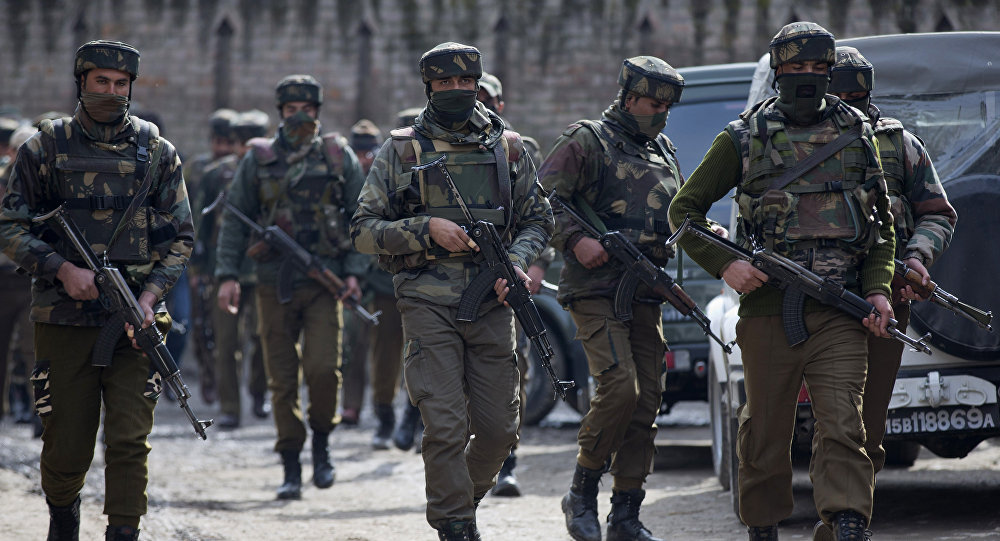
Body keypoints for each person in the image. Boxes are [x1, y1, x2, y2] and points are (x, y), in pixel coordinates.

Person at [668, 22, 896, 541]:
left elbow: (881, 229)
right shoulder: (743, 138)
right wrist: (725, 264)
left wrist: (877, 288)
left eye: (818, 68)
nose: (807, 77)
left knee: (845, 425)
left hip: (841, 311)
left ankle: (846, 523)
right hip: (769, 311)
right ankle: (763, 524)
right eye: (796, 68)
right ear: (778, 70)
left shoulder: (859, 134)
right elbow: (684, 212)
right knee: (765, 434)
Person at [350, 42, 553, 540]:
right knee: (444, 426)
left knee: (501, 431)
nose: (457, 90)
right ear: (430, 87)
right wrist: (427, 229)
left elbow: (539, 219)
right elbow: (363, 229)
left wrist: (517, 262)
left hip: (493, 302)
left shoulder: (509, 147)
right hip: (426, 302)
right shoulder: (402, 150)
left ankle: (459, 502)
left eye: (466, 82)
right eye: (446, 83)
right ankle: (456, 526)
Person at [0, 40, 193, 541]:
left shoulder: (158, 152)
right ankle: (63, 518)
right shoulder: (44, 148)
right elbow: (9, 225)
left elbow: (181, 238)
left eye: (121, 83)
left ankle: (123, 530)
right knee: (66, 443)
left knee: (130, 439)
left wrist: (149, 298)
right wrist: (61, 268)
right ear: (81, 82)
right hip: (63, 319)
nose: (111, 91)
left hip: (136, 322)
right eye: (101, 81)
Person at [810, 45, 958, 541]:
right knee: (826, 424)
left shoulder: (898, 144)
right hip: (813, 303)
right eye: (841, 99)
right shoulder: (791, 140)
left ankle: (845, 523)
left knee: (867, 428)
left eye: (858, 98)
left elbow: (937, 212)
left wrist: (916, 257)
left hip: (884, 306)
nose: (851, 109)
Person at [541, 56, 684, 541]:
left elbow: (677, 212)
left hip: (645, 292)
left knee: (648, 402)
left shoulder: (664, 150)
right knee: (621, 388)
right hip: (596, 290)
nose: (661, 115)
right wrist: (575, 240)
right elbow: (540, 200)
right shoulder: (587, 140)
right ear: (629, 98)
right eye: (653, 105)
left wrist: (704, 232)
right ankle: (581, 492)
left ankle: (626, 513)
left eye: (666, 107)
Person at [215, 74, 368, 500]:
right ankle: (290, 464)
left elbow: (361, 216)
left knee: (323, 370)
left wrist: (354, 272)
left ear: (318, 112)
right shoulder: (259, 159)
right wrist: (227, 275)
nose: (299, 116)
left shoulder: (337, 156)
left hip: (325, 283)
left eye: (307, 109)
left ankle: (321, 444)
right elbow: (234, 219)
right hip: (273, 284)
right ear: (280, 113)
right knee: (281, 378)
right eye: (291, 110)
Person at [477, 70, 555, 497]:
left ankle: (507, 463)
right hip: (459, 276)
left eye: (487, 98)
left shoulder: (519, 147)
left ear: (500, 105)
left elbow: (540, 212)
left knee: (513, 371)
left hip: (511, 277)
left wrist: (537, 264)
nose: (480, 104)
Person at [190, 110, 271, 429]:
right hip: (224, 270)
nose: (245, 150)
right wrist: (198, 269)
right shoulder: (216, 175)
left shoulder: (275, 173)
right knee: (226, 342)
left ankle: (259, 392)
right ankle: (230, 408)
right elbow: (201, 225)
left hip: (263, 271)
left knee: (264, 337)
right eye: (241, 143)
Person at [340, 118, 382, 428]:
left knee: (386, 349)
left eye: (368, 152)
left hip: (383, 278)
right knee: (352, 345)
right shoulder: (345, 180)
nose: (363, 159)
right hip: (355, 278)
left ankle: (385, 408)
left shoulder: (386, 178)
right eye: (358, 152)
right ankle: (351, 406)